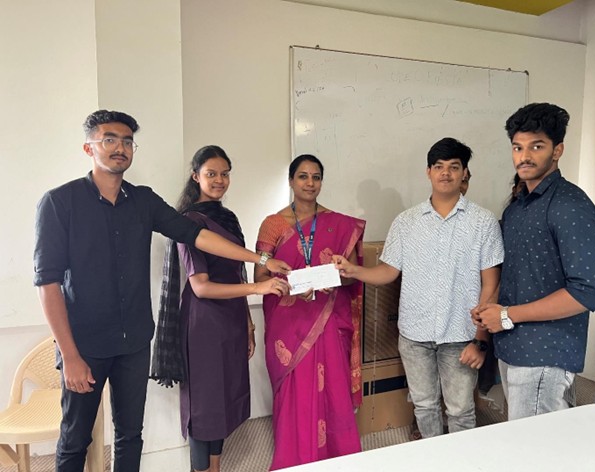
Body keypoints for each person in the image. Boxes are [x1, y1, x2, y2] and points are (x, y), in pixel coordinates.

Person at [33, 110, 290, 472]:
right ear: (89, 147)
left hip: (135, 341)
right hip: (85, 344)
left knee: (129, 435)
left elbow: (197, 236)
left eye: (127, 141)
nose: (120, 147)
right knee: (75, 438)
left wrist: (261, 258)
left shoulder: (143, 201)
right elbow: (48, 284)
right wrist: (70, 355)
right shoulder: (60, 202)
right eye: (109, 139)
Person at [335, 138, 503, 439]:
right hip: (415, 335)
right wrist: (354, 270)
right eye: (438, 167)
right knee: (424, 407)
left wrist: (481, 340)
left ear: (464, 173)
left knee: (461, 411)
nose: (445, 173)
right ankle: (432, 459)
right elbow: (388, 271)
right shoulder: (406, 222)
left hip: (461, 335)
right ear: (428, 172)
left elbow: (491, 284)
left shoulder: (483, 222)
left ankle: (462, 461)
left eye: (454, 167)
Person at [151, 146, 290, 472]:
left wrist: (248, 324)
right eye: (211, 173)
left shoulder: (228, 218)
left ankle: (215, 467)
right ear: (195, 176)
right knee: (204, 405)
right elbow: (201, 286)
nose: (219, 180)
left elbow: (236, 272)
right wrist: (258, 288)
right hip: (204, 322)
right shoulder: (188, 222)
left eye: (225, 174)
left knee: (224, 399)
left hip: (231, 319)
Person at [471, 103, 595, 420]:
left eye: (537, 146)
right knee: (523, 435)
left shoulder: (571, 206)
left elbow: (585, 293)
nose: (524, 156)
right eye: (518, 147)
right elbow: (516, 272)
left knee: (536, 443)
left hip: (545, 354)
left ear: (557, 150)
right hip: (512, 345)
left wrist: (507, 315)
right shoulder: (517, 207)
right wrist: (491, 309)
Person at [254, 154, 365, 470]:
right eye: (303, 176)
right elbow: (260, 276)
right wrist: (291, 284)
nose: (310, 183)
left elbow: (351, 276)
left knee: (332, 384)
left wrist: (335, 278)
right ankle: (297, 457)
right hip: (289, 322)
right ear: (291, 181)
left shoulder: (339, 224)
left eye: (316, 177)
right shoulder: (273, 224)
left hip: (329, 317)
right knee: (297, 390)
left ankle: (337, 455)